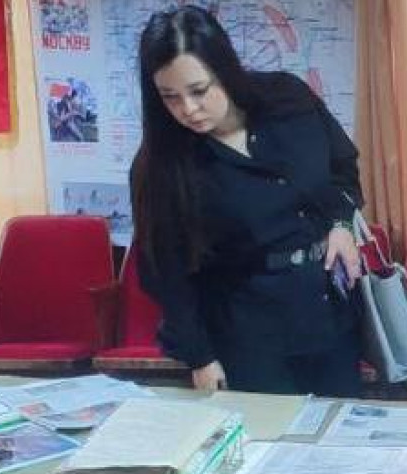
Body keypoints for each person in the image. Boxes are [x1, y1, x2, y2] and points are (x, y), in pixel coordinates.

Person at [131, 6, 364, 396]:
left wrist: (340, 225)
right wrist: (200, 357)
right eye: (170, 97)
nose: (188, 109)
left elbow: (342, 166)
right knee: (266, 431)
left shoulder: (288, 101)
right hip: (246, 332)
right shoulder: (164, 163)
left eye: (198, 90)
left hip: (327, 312)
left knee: (339, 425)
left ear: (224, 69)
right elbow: (164, 272)